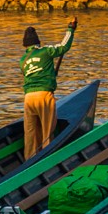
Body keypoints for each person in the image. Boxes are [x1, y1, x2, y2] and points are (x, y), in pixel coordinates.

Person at [20, 18, 77, 158]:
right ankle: (47, 157)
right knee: (47, 130)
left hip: (28, 99)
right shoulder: (45, 51)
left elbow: (31, 74)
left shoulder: (23, 60)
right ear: (38, 42)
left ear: (25, 45)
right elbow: (64, 46)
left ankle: (30, 159)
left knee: (31, 133)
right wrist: (71, 29)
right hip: (43, 95)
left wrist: (50, 74)